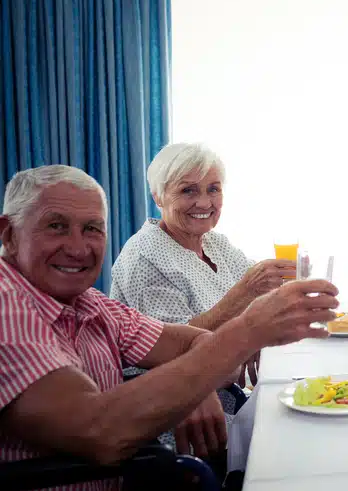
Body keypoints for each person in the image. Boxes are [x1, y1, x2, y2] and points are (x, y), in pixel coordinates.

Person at [0, 165, 338, 491]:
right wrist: (248, 329)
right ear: (8, 234)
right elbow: (99, 431)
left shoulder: (89, 303)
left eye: (92, 229)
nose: (78, 248)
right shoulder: (8, 310)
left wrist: (197, 387)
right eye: (56, 227)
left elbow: (193, 343)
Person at [112, 143, 295, 392]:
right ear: (158, 196)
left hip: (226, 389)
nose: (204, 202)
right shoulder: (145, 257)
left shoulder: (213, 242)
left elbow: (262, 293)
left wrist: (253, 333)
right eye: (188, 190)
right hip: (177, 403)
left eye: (213, 189)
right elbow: (172, 350)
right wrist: (245, 295)